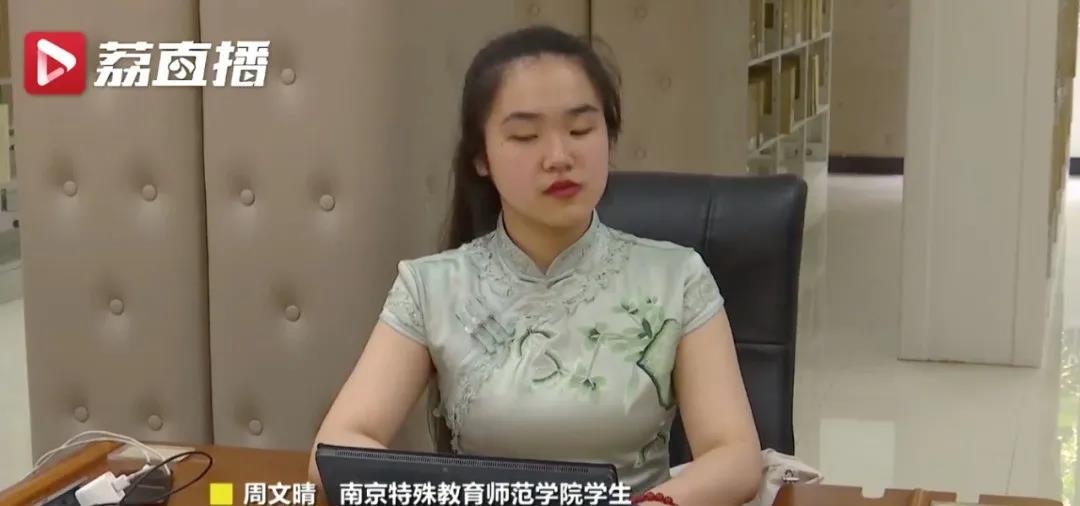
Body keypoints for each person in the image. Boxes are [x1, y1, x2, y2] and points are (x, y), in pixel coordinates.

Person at [309, 25, 763, 506]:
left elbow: (734, 455)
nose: (559, 157)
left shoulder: (676, 277)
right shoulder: (430, 287)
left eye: (581, 130)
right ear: (481, 158)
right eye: (525, 136)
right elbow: (334, 450)